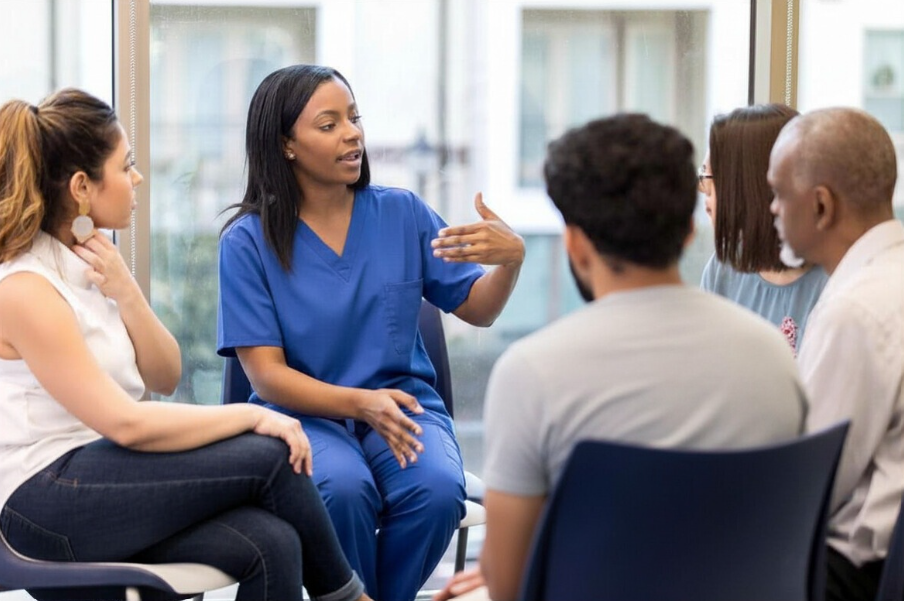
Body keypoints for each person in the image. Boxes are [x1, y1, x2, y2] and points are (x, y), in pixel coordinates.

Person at [0, 88, 370, 601]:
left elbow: (165, 375)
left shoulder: (89, 265)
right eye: (125, 166)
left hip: (101, 475)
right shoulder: (26, 289)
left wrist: (126, 290)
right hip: (44, 501)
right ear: (83, 186)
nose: (137, 179)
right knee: (271, 454)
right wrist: (253, 415)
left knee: (273, 542)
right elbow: (125, 422)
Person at [435, 113, 807, 601]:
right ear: (689, 234)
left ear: (575, 244)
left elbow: (507, 583)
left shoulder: (532, 372)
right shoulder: (772, 355)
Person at [216, 64, 524, 601]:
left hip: (403, 409)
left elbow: (479, 310)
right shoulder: (247, 242)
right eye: (329, 124)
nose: (353, 133)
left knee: (435, 491)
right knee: (340, 489)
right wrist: (360, 404)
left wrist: (511, 262)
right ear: (286, 144)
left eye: (354, 118)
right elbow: (265, 377)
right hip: (301, 417)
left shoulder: (402, 213)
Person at [768, 107, 904, 601]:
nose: (773, 210)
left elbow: (805, 491)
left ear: (822, 206)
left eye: (779, 193)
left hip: (850, 575)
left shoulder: (856, 310)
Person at [699, 103, 828, 354]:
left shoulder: (834, 281)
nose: (706, 202)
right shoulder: (722, 269)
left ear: (748, 190)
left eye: (708, 181)